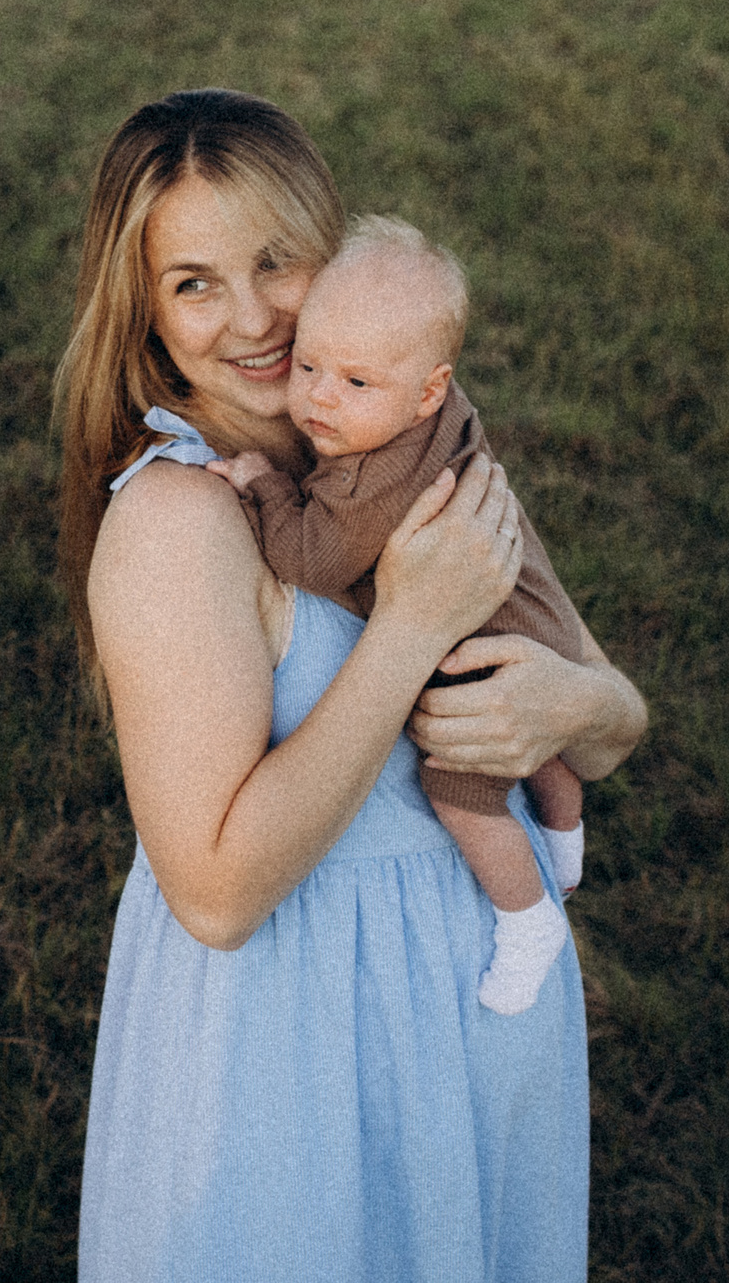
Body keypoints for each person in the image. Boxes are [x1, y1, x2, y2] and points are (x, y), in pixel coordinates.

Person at [56, 89, 647, 1281]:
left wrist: (570, 708)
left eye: (278, 258)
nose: (256, 316)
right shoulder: (182, 519)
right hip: (295, 1044)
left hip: (469, 1008)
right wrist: (410, 625)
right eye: (194, 282)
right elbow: (217, 894)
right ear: (147, 318)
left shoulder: (397, 449)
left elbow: (616, 713)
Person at [205, 214, 591, 1017]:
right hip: (539, 621)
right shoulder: (437, 415)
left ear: (429, 389)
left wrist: (262, 484)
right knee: (547, 744)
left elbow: (309, 559)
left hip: (478, 662)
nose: (316, 397)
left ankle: (526, 919)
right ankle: (565, 829)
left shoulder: (360, 486)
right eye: (307, 364)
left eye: (353, 383)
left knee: (459, 792)